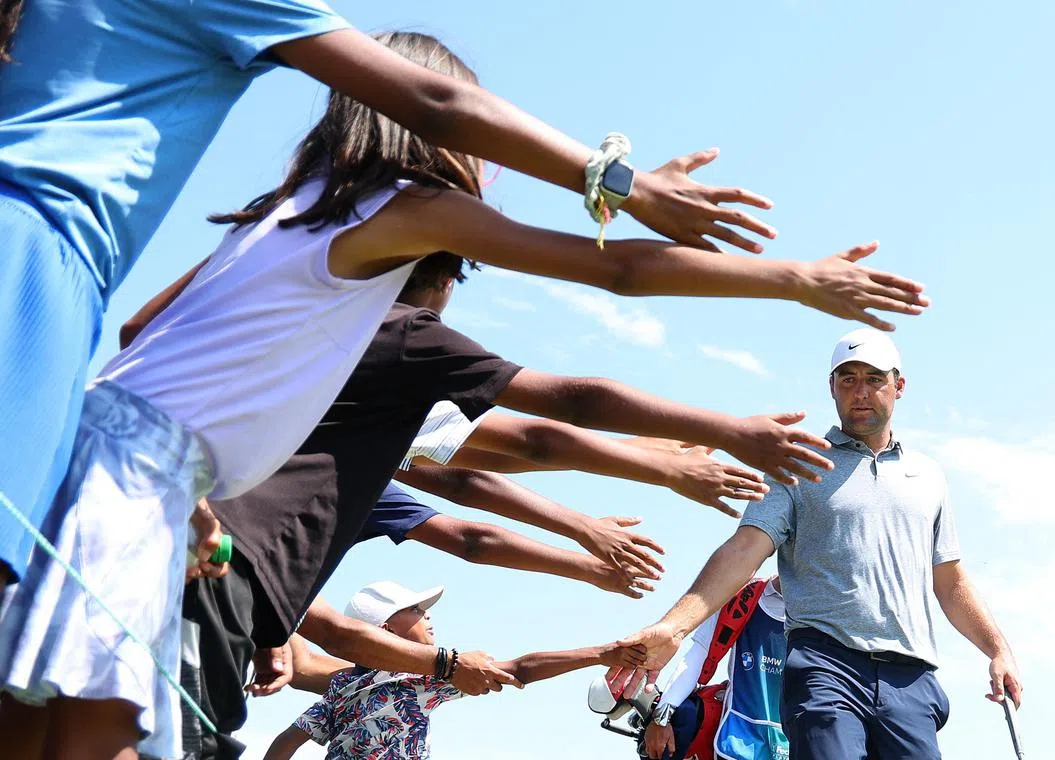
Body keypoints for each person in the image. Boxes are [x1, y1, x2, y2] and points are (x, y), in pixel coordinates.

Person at [0, 30, 926, 760]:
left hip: (90, 455)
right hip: (149, 474)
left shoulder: (287, 209)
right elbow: (614, 284)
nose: (487, 163)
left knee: (35, 721)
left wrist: (197, 482)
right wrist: (791, 279)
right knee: (105, 733)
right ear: (434, 132)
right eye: (479, 141)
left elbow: (137, 333)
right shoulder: (407, 210)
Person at [0, 0, 781, 594]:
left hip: (141, 467)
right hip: (190, 528)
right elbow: (548, 416)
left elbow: (455, 459)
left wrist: (651, 467)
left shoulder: (283, 221)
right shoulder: (397, 321)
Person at [613, 328, 1021, 760]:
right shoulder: (797, 465)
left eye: (873, 379)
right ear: (832, 388)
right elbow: (744, 549)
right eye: (848, 379)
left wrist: (998, 650)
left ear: (899, 386)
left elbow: (950, 579)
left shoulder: (929, 477)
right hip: (827, 665)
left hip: (910, 677)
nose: (860, 392)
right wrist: (674, 625)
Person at [260, 581, 646, 760]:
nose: (427, 616)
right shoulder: (401, 679)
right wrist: (597, 652)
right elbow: (519, 670)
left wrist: (599, 654)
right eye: (415, 610)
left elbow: (287, 741)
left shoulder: (354, 683)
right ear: (385, 630)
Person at [644, 576, 788, 760]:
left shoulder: (826, 610)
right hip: (737, 747)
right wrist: (661, 717)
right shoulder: (742, 595)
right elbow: (696, 658)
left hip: (798, 746)